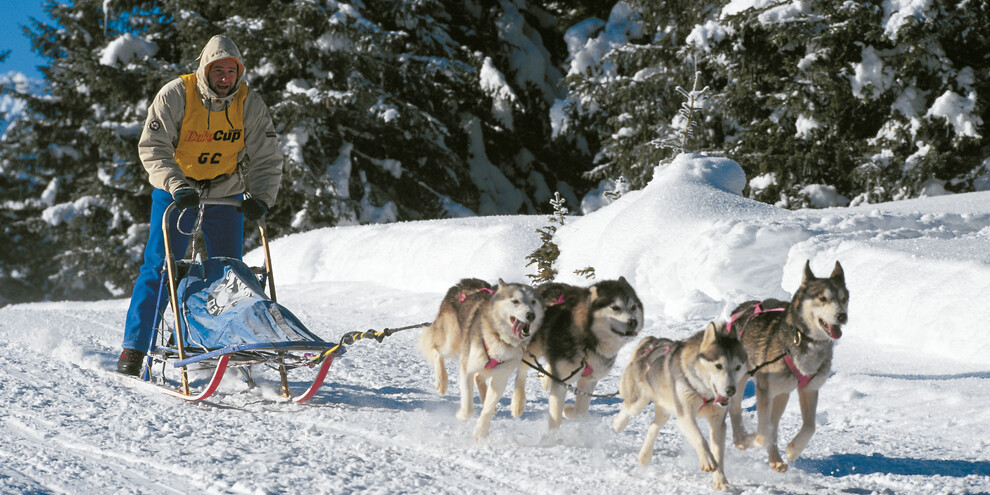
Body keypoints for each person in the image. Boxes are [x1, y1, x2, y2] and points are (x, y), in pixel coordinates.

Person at [117, 35, 284, 376]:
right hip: (179, 191)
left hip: (226, 191)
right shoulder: (177, 94)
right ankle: (134, 349)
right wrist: (176, 184)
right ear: (205, 70)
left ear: (239, 73)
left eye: (231, 72)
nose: (225, 78)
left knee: (228, 274)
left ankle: (224, 345)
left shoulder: (248, 103)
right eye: (218, 70)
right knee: (161, 268)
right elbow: (153, 147)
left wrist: (262, 197)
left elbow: (267, 156)